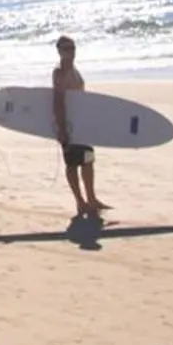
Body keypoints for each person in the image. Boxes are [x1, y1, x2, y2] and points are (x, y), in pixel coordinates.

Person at [52, 35, 108, 220]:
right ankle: (80, 202)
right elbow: (58, 101)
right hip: (70, 125)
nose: (71, 51)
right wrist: (61, 128)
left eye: (73, 47)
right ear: (59, 51)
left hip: (82, 124)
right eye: (67, 48)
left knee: (88, 160)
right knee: (72, 164)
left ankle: (91, 199)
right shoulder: (59, 72)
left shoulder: (74, 70)